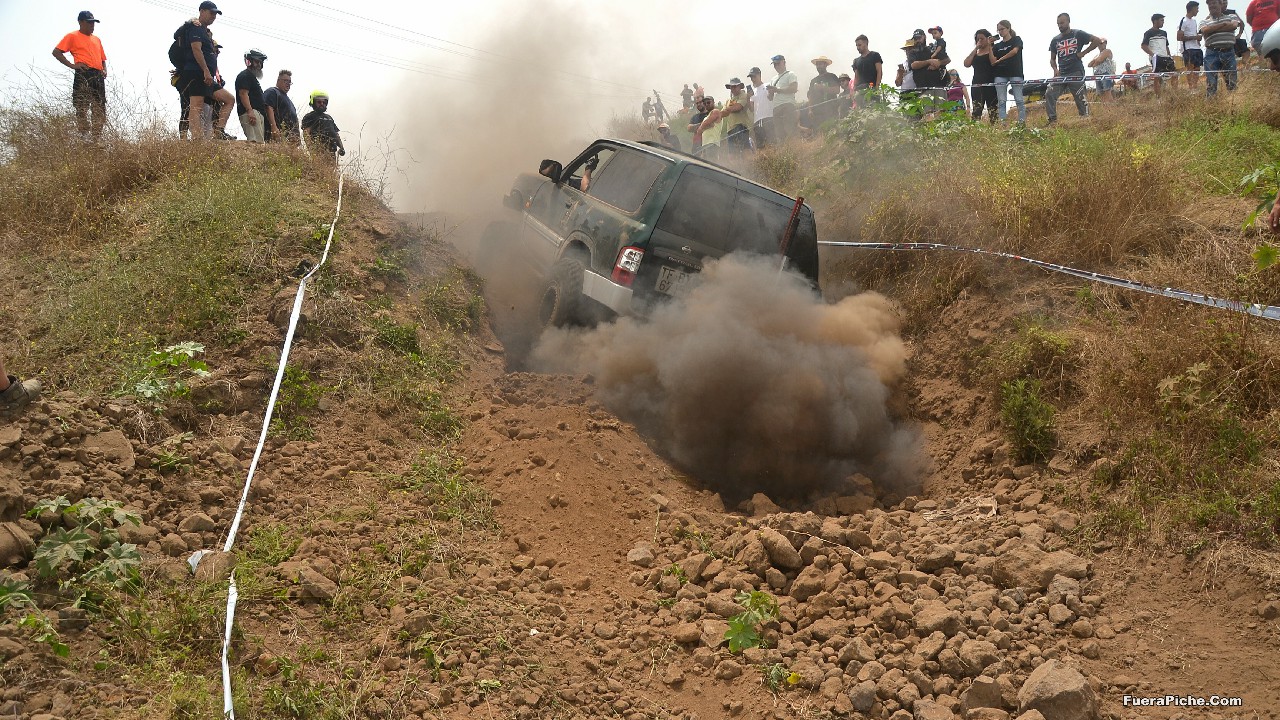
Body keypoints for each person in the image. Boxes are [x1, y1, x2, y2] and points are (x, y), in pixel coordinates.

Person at [175, 2, 235, 140]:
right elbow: (196, 49)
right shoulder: (195, 27)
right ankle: (197, 139)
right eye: (211, 12)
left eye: (215, 14)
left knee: (229, 99)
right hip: (196, 72)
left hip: (206, 76)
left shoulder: (204, 31)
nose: (213, 16)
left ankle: (219, 131)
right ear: (202, 11)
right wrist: (206, 70)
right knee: (196, 106)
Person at [53, 11, 108, 141]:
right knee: (81, 105)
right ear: (81, 22)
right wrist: (72, 65)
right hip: (84, 73)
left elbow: (103, 58)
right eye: (89, 22)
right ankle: (84, 136)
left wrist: (104, 70)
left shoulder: (97, 39)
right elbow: (56, 52)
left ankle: (96, 138)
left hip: (98, 76)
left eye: (93, 23)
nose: (92, 25)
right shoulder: (72, 36)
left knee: (100, 107)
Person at [1046, 13, 1105, 125]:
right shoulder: (1055, 40)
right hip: (1062, 73)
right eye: (1058, 24)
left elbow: (1097, 40)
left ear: (1068, 21)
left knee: (1080, 97)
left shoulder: (1078, 34)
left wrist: (1083, 53)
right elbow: (1052, 59)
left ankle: (1086, 120)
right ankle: (1052, 121)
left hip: (1076, 71)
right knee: (1049, 92)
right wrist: (1055, 69)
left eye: (1062, 23)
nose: (1060, 25)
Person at [1202, 0, 1244, 96]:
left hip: (1228, 52)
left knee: (1232, 83)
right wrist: (1223, 25)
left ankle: (1233, 102)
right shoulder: (1204, 21)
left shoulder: (1232, 16)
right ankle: (1211, 103)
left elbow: (1233, 26)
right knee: (1211, 83)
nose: (1211, 5)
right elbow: (1205, 30)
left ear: (1220, 4)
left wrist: (1213, 29)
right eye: (1209, 4)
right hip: (1211, 53)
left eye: (1214, 3)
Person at [991, 20, 1027, 124]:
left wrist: (1001, 59)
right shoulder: (997, 46)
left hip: (1015, 72)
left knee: (1019, 99)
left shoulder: (1016, 39)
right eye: (998, 30)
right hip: (1000, 74)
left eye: (1002, 29)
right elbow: (993, 61)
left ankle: (1021, 123)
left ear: (1008, 28)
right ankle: (1003, 123)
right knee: (1001, 101)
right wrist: (989, 46)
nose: (1000, 32)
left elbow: (1014, 51)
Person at [906, 28, 948, 107]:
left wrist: (939, 63)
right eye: (916, 39)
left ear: (924, 37)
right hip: (923, 89)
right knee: (927, 112)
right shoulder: (912, 52)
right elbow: (913, 65)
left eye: (919, 38)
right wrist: (929, 61)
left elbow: (947, 59)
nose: (918, 40)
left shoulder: (932, 49)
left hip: (939, 87)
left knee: (941, 111)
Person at [234, 49, 268, 143]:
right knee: (255, 142)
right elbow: (243, 93)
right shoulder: (245, 75)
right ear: (249, 61)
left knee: (259, 142)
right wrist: (250, 111)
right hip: (251, 112)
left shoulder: (252, 77)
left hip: (256, 113)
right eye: (257, 62)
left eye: (260, 62)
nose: (259, 65)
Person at [966, 29, 999, 122]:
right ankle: (974, 127)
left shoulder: (994, 49)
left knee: (992, 109)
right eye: (978, 39)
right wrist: (976, 48)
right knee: (977, 109)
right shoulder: (976, 53)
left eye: (982, 39)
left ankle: (995, 127)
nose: (980, 41)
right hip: (977, 83)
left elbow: (993, 62)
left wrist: (989, 46)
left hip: (990, 82)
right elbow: (966, 63)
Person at [301, 90, 345, 158]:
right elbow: (306, 134)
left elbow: (336, 135)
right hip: (318, 152)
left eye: (324, 102)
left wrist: (342, 148)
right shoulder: (309, 116)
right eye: (319, 102)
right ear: (313, 102)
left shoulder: (329, 118)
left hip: (331, 153)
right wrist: (311, 151)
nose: (322, 104)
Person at [767, 55, 798, 142]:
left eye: (778, 63)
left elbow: (794, 88)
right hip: (776, 108)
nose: (776, 66)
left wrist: (777, 90)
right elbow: (770, 98)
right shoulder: (773, 79)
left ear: (784, 63)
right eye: (774, 64)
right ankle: (784, 149)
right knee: (779, 134)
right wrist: (771, 92)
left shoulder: (790, 74)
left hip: (787, 105)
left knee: (790, 130)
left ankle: (795, 147)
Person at [1143, 15, 1176, 96]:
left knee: (1174, 74)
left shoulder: (1164, 33)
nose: (1163, 22)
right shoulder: (1148, 33)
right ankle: (1158, 98)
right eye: (1161, 20)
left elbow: (1166, 46)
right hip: (1156, 57)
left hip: (1165, 57)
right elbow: (1143, 46)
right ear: (1155, 21)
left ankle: (1174, 95)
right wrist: (1153, 55)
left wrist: (1170, 56)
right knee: (1157, 77)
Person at [263, 69, 299, 144]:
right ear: (278, 81)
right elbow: (269, 108)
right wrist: (274, 127)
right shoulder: (272, 91)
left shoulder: (289, 101)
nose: (288, 84)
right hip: (277, 136)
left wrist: (296, 137)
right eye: (285, 81)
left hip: (290, 140)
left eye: (290, 82)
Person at [807, 56, 842, 128]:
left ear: (825, 65)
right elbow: (810, 96)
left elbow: (837, 90)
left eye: (820, 64)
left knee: (831, 130)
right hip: (817, 112)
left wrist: (822, 88)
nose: (818, 66)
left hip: (831, 110)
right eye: (817, 64)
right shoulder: (813, 81)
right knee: (818, 131)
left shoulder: (832, 76)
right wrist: (810, 110)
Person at [721, 78, 753, 155]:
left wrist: (727, 110)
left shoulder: (744, 95)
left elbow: (738, 107)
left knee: (745, 149)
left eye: (734, 86)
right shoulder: (728, 101)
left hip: (741, 126)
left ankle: (751, 162)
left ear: (739, 86)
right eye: (731, 87)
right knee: (732, 154)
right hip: (730, 129)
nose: (732, 89)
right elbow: (722, 113)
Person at [851, 35, 884, 109]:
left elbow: (879, 72)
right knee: (861, 111)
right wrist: (854, 90)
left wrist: (877, 87)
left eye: (859, 45)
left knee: (873, 110)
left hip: (871, 89)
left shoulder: (875, 55)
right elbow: (856, 77)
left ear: (866, 43)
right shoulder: (856, 61)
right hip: (860, 91)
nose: (858, 47)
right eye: (856, 45)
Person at [747, 67, 773, 149]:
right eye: (751, 77)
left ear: (759, 75)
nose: (753, 79)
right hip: (757, 121)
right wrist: (748, 97)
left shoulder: (767, 85)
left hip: (768, 118)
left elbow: (771, 98)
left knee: (772, 142)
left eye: (754, 76)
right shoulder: (753, 92)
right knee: (761, 146)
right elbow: (751, 109)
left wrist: (771, 92)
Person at [1181, 1, 1206, 87]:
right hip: (1188, 48)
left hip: (1197, 48)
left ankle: (1195, 86)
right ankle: (1191, 88)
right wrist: (1195, 37)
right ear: (1192, 8)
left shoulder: (1194, 21)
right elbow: (1179, 37)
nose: (1198, 10)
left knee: (1197, 69)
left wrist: (1198, 40)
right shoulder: (1183, 21)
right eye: (1197, 8)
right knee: (1190, 68)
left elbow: (1194, 33)